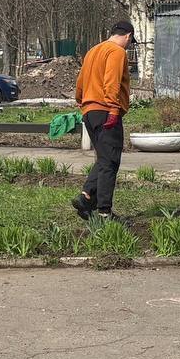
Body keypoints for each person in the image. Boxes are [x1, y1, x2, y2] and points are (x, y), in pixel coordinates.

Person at [71, 19, 134, 220]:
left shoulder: (93, 51)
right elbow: (111, 81)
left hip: (89, 110)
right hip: (106, 110)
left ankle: (87, 198)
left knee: (104, 156)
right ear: (128, 36)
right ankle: (105, 211)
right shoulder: (116, 52)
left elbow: (80, 82)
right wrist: (114, 109)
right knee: (111, 161)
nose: (129, 45)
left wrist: (81, 102)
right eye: (130, 42)